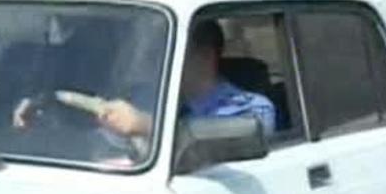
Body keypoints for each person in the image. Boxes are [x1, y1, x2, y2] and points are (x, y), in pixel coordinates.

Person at [96, 19, 276, 139]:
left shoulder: (252, 109)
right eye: (157, 50)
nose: (157, 60)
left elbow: (212, 146)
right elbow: (105, 143)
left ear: (205, 56)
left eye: (169, 49)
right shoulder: (146, 96)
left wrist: (147, 126)